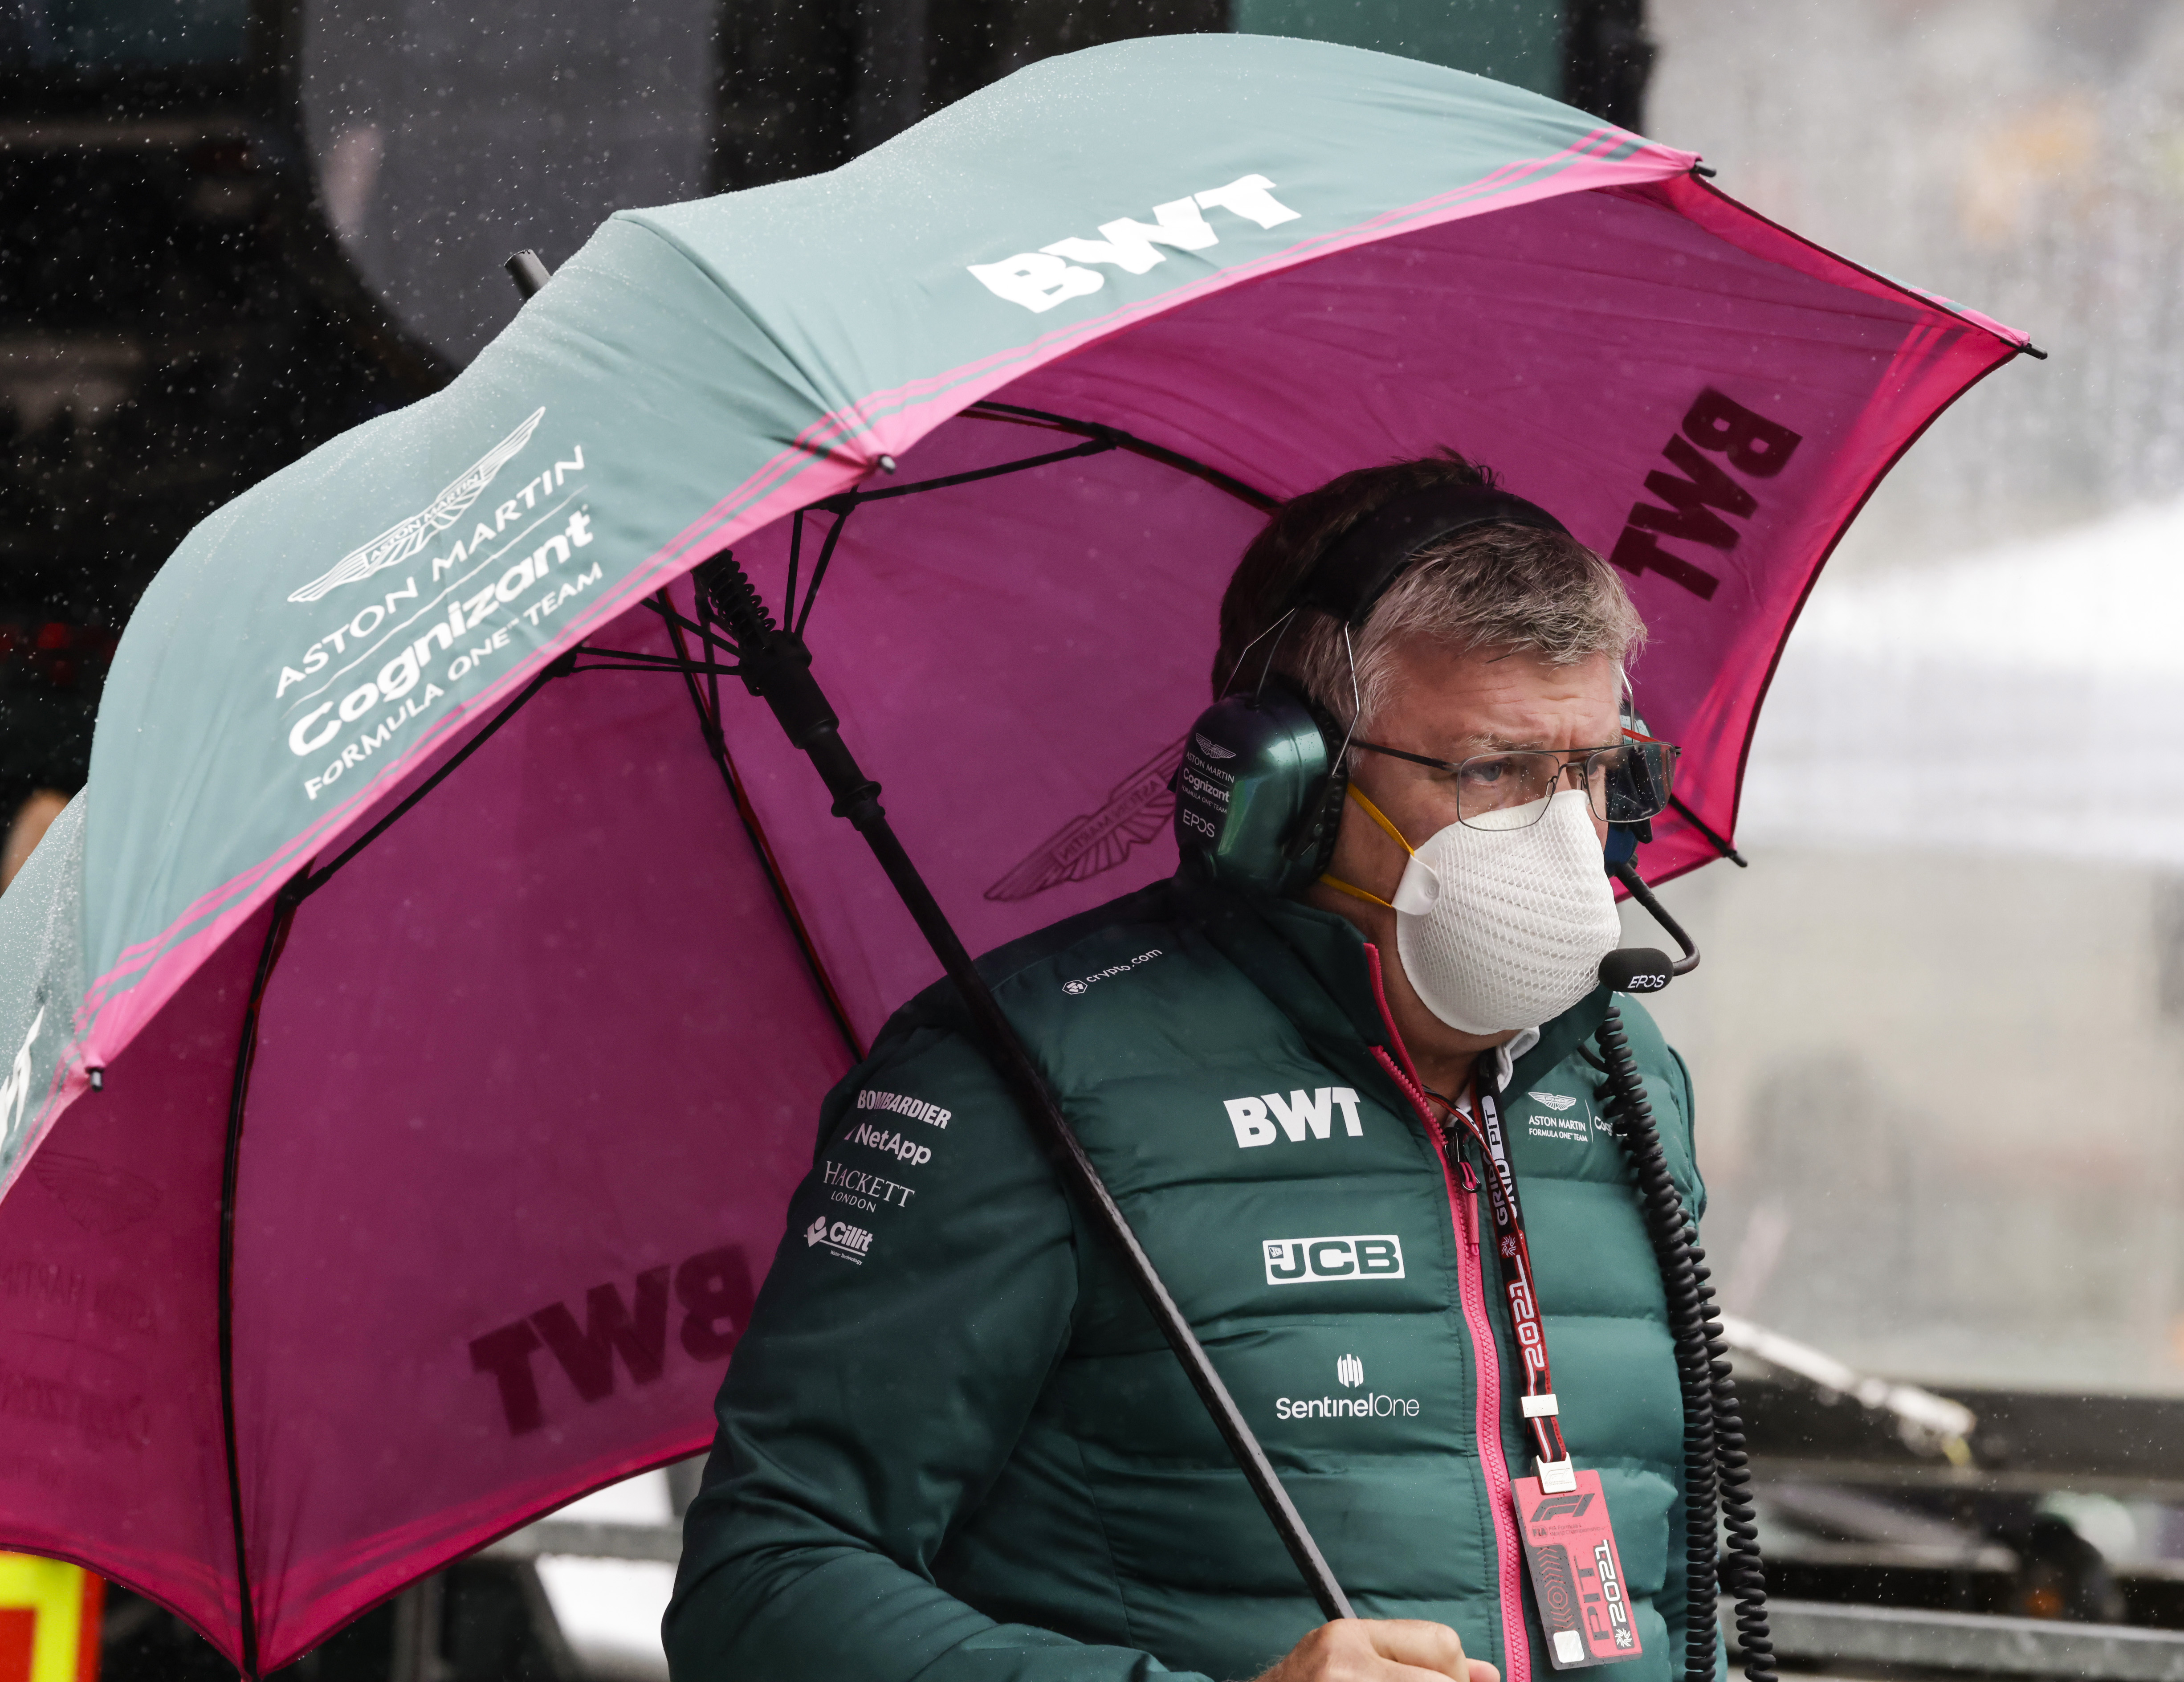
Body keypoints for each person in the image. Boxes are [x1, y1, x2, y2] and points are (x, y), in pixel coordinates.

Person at [667, 453, 1710, 1682]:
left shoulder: (1625, 1078)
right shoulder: (1024, 1076)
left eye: (1595, 770)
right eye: (1492, 769)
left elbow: (1667, 1593)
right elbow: (764, 1587)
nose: (1569, 837)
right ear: (1291, 782)